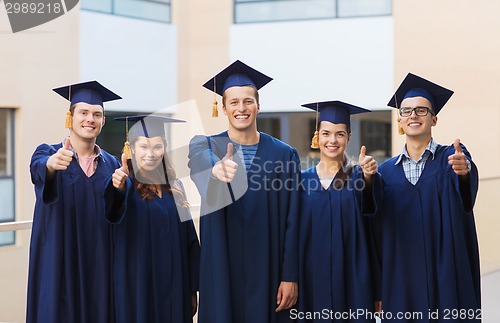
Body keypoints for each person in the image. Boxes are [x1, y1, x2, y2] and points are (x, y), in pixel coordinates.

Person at [188, 60, 301, 323]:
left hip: (270, 271)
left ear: (258, 106)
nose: (241, 108)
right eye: (234, 102)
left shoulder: (284, 154)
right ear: (224, 107)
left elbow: (294, 220)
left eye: (248, 101)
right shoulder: (205, 147)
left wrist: (291, 275)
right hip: (222, 270)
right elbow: (199, 163)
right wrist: (215, 169)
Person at [374, 73, 481, 322]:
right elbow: (375, 231)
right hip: (403, 280)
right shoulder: (384, 172)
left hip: (446, 273)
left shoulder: (451, 158)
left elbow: (466, 194)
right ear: (400, 119)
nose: (413, 115)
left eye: (421, 110)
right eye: (407, 110)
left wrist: (464, 172)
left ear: (434, 118)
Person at [27, 81, 122, 323]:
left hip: (100, 266)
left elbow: (117, 212)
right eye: (83, 112)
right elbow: (38, 169)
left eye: (97, 114)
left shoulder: (112, 164)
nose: (90, 119)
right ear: (70, 117)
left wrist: (122, 188)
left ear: (103, 121)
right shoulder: (49, 152)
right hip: (60, 262)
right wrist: (50, 166)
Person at [104, 115, 200, 323]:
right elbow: (112, 210)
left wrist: (192, 288)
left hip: (176, 286)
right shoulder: (126, 185)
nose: (151, 154)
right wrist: (117, 188)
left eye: (157, 147)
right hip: (139, 288)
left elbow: (189, 240)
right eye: (143, 147)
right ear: (132, 149)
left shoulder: (175, 187)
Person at [297, 101, 382, 323]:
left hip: (353, 281)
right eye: (326, 133)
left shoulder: (359, 177)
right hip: (311, 280)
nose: (332, 140)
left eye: (340, 134)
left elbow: (374, 226)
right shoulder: (301, 181)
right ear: (317, 136)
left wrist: (369, 176)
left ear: (349, 137)